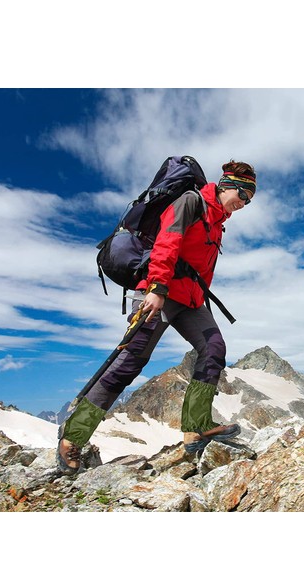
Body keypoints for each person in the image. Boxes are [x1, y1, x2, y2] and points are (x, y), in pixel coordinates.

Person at [56, 159, 257, 474]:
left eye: (249, 200)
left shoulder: (217, 221)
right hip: (158, 290)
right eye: (243, 195)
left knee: (214, 347)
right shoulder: (192, 202)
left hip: (189, 298)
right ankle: (72, 437)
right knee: (130, 362)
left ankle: (196, 427)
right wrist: (157, 286)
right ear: (226, 185)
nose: (244, 203)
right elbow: (168, 241)